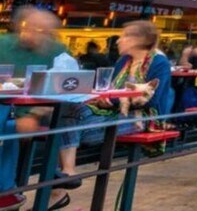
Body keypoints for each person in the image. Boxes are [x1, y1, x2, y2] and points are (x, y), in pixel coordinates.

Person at [53, 20, 171, 210]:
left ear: (139, 40)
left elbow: (152, 100)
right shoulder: (123, 61)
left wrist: (112, 100)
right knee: (67, 110)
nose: (118, 40)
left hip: (142, 118)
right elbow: (110, 89)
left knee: (63, 130)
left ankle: (60, 185)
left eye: (124, 36)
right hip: (112, 112)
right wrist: (102, 98)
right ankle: (66, 175)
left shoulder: (159, 62)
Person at [0, 7, 68, 211]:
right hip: (7, 109)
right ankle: (8, 191)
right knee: (7, 126)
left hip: (40, 111)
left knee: (8, 128)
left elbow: (67, 88)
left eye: (44, 32)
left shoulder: (58, 51)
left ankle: (7, 191)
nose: (37, 35)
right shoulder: (4, 44)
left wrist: (35, 114)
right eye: (33, 28)